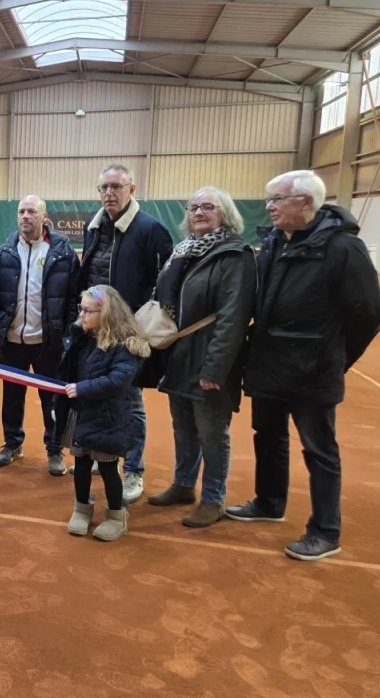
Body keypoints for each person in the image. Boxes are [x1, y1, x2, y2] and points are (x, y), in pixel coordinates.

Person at [227, 170, 380, 561]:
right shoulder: (274, 243)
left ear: (306, 203)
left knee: (319, 450)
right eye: (269, 199)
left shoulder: (344, 248)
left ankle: (326, 530)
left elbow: (368, 313)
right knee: (268, 436)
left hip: (313, 369)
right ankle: (269, 502)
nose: (269, 206)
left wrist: (335, 358)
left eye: (277, 199)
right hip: (268, 362)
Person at [146, 187, 256, 528]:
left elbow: (233, 318)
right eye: (193, 207)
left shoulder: (235, 255)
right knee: (183, 427)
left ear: (225, 214)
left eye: (208, 207)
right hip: (179, 356)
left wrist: (216, 369)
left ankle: (213, 499)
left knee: (212, 432)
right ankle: (183, 485)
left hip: (208, 358)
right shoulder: (184, 251)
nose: (199, 212)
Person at [76, 164, 173, 503]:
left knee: (130, 403)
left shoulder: (150, 230)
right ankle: (98, 452)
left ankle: (133, 471)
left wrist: (139, 329)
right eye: (104, 187)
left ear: (132, 190)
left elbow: (165, 287)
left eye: (116, 186)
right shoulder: (95, 227)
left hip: (129, 335)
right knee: (94, 395)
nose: (109, 193)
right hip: (94, 333)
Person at [0, 194, 81, 476]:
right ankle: (12, 444)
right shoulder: (4, 252)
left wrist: (65, 336)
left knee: (53, 399)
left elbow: (74, 298)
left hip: (48, 343)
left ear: (44, 217)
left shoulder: (62, 252)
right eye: (21, 212)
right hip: (12, 342)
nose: (25, 216)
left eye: (31, 212)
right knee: (12, 395)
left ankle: (54, 450)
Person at [56, 286, 150, 542]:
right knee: (82, 464)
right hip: (81, 412)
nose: (82, 315)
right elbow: (68, 369)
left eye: (88, 310)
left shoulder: (125, 345)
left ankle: (116, 516)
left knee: (108, 468)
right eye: (81, 309)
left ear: (106, 313)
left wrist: (82, 389)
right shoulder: (82, 337)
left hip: (108, 417)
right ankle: (81, 508)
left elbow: (119, 380)